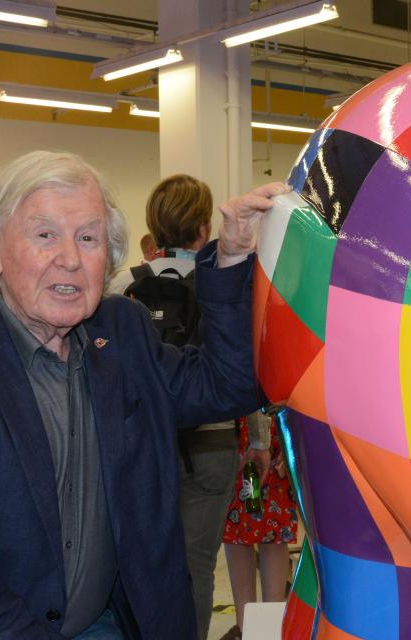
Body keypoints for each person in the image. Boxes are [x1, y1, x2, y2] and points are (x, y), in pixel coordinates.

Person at [0, 150, 289, 640]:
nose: (69, 257)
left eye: (88, 238)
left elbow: (228, 384)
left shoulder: (121, 334)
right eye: (45, 235)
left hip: (102, 623)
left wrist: (232, 256)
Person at [131, 174, 270, 640]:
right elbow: (237, 368)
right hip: (212, 440)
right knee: (197, 563)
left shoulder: (126, 291)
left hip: (146, 444)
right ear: (203, 227)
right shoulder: (221, 282)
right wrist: (259, 439)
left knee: (143, 560)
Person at [219, 409, 298, 640]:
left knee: (272, 530)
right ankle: (248, 629)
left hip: (268, 421)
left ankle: (267, 627)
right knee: (237, 530)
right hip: (242, 423)